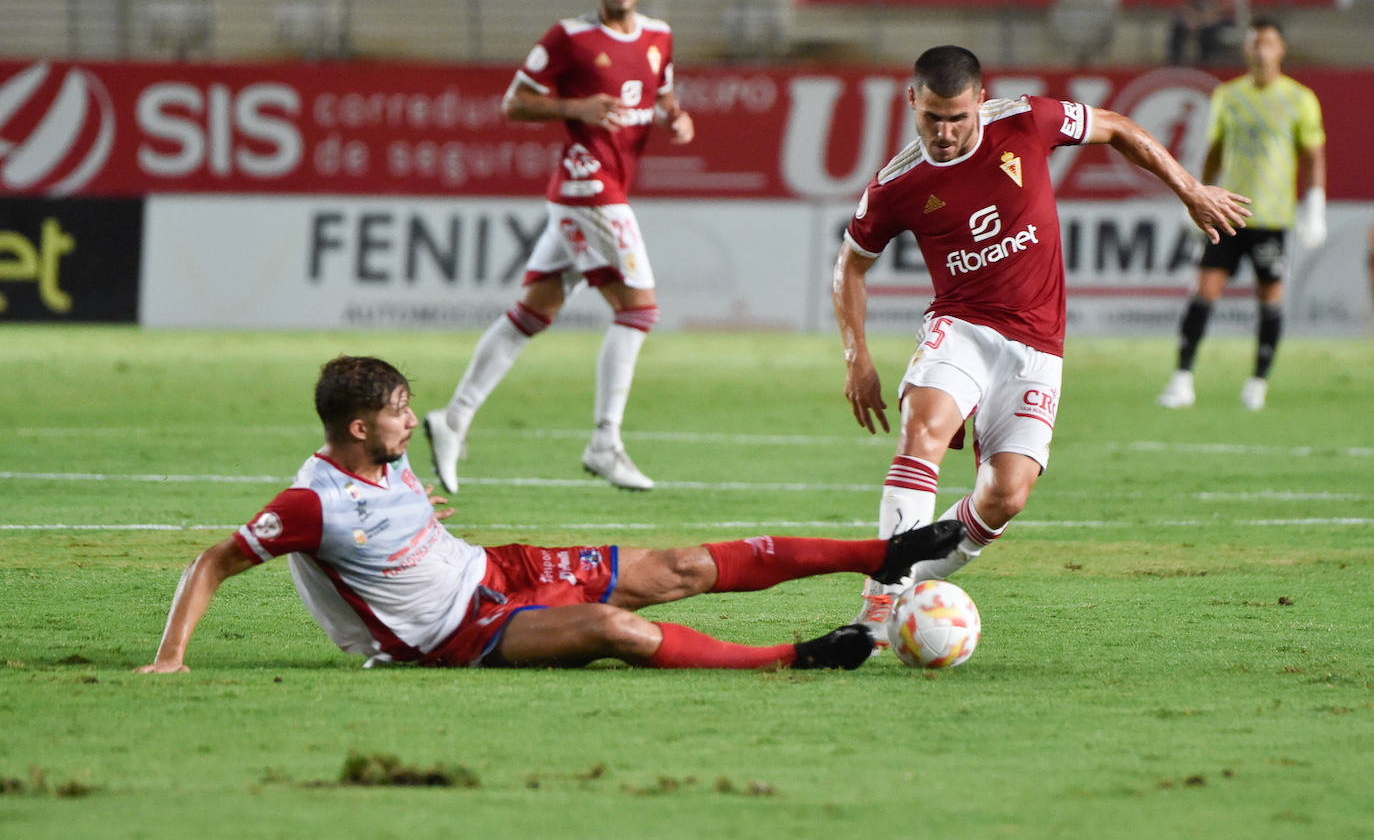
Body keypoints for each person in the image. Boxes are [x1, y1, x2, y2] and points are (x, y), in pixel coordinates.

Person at [137, 355, 968, 674]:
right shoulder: (308, 504)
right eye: (398, 413)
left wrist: (414, 508)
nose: (411, 421)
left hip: (497, 568)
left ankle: (882, 553)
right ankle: (796, 658)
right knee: (613, 629)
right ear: (358, 429)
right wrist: (172, 657)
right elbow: (213, 562)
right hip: (455, 634)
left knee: (682, 566)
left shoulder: (382, 463)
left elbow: (382, 518)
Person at [833, 46, 1250, 650]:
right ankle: (880, 604)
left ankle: (905, 582)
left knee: (1005, 495)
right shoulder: (897, 184)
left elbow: (1119, 127)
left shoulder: (1026, 121)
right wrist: (858, 359)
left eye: (957, 118)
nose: (944, 133)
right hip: (961, 327)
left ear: (980, 102)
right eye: (932, 118)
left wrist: (1188, 188)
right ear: (912, 102)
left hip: (1038, 345)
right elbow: (850, 268)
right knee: (923, 429)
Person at [424, 0, 694, 494]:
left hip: (603, 187)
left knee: (532, 313)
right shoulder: (569, 38)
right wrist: (576, 108)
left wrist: (676, 116)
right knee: (638, 309)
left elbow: (662, 93)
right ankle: (605, 442)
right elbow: (514, 103)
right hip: (587, 186)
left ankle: (453, 417)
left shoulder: (659, 36)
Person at [1158, 17, 1326, 411]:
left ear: (1281, 49)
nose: (1260, 50)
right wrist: (1196, 194)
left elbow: (1313, 155)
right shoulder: (1228, 96)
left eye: (1267, 42)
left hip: (1272, 216)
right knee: (1204, 290)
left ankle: (1258, 382)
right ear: (1246, 50)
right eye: (1254, 43)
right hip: (1228, 213)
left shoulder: (1300, 99)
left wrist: (1315, 203)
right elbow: (1215, 150)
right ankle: (1182, 379)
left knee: (1270, 297)